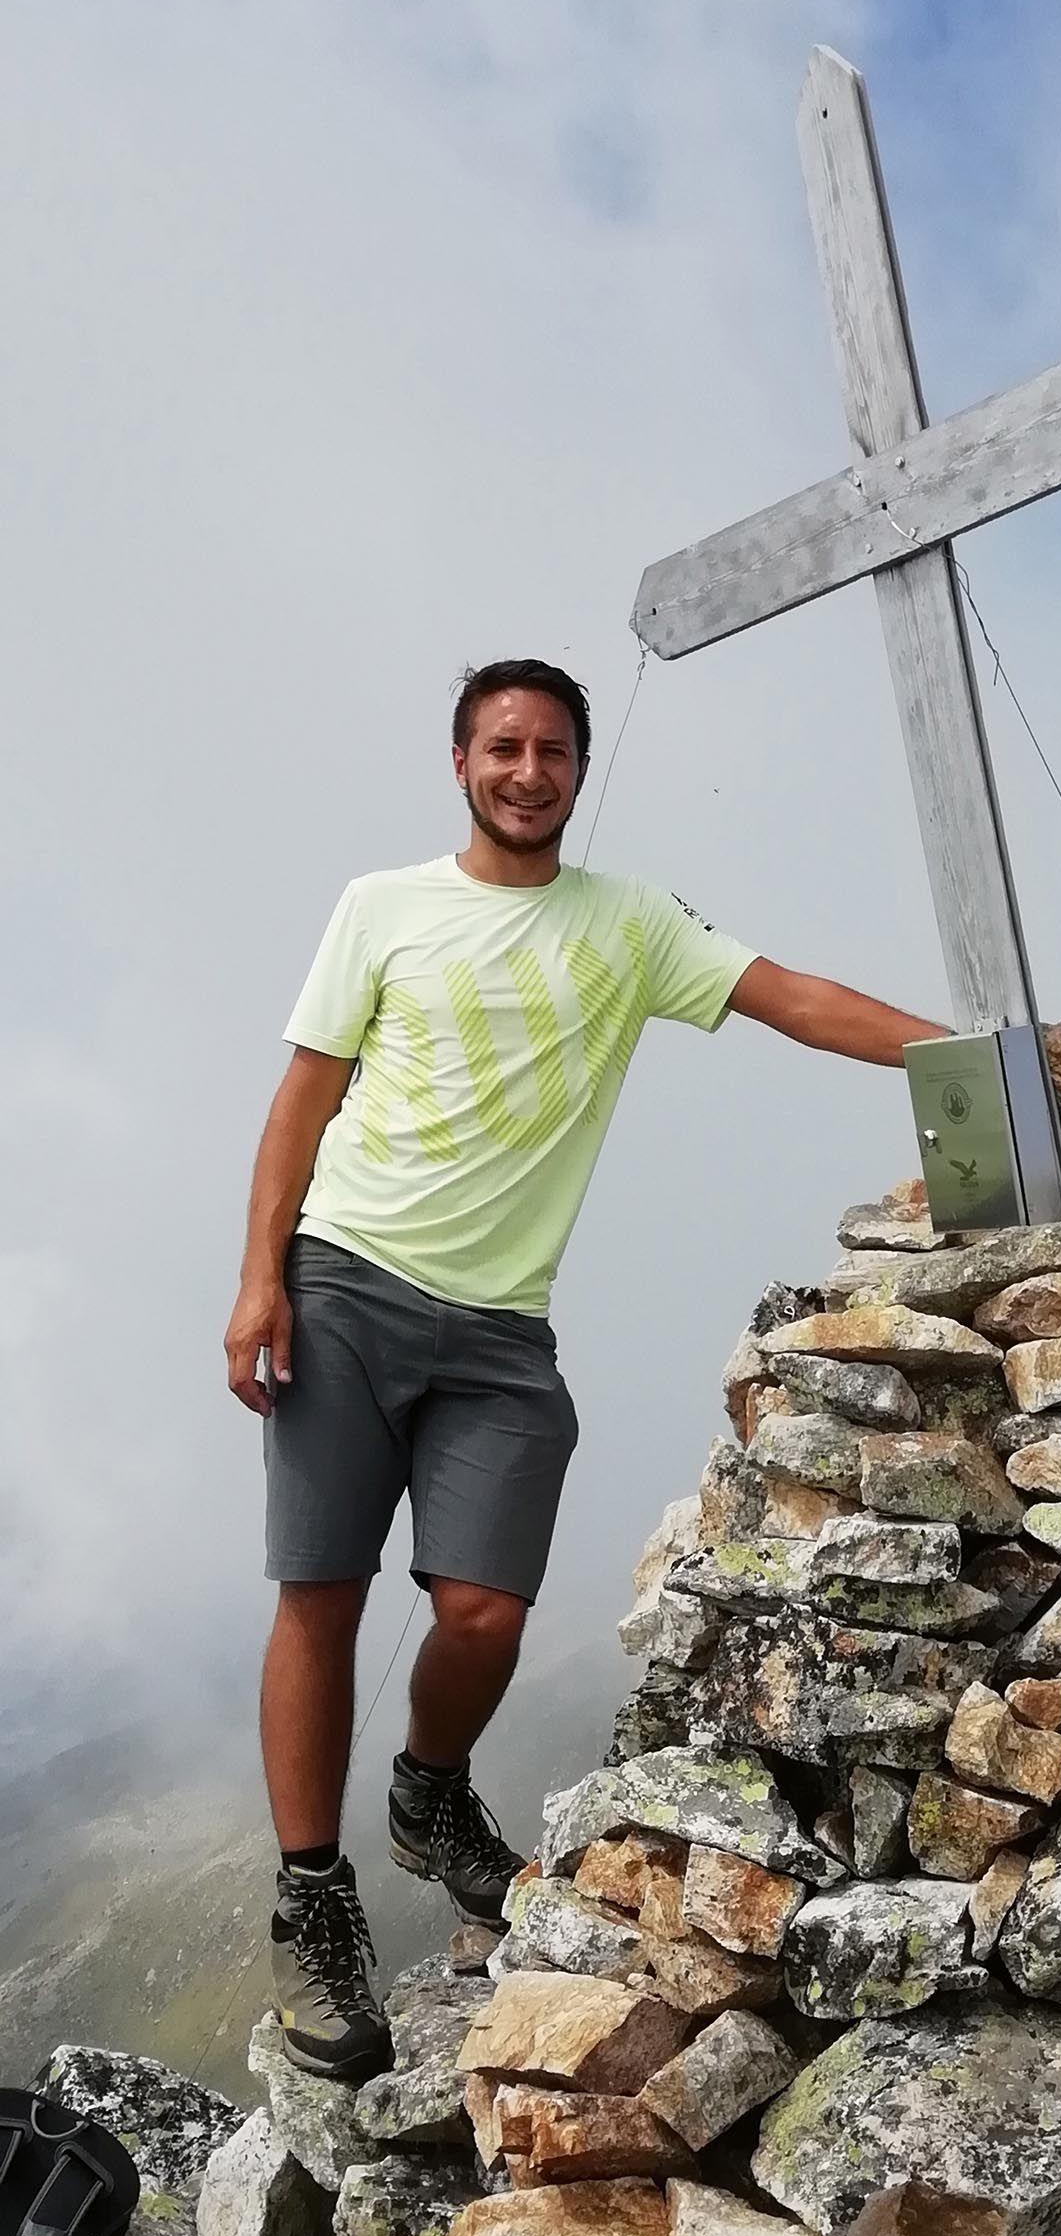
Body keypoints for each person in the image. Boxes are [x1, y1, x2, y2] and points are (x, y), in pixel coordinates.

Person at [224, 658, 945, 2079]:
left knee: (483, 1611)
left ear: (578, 770)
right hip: (346, 1282)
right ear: (461, 762)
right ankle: (313, 1901)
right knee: (319, 1592)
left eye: (554, 749)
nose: (528, 769)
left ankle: (428, 1798)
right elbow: (300, 1098)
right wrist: (260, 1275)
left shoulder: (626, 925)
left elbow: (788, 996)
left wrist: (973, 1057)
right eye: (503, 746)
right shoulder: (383, 907)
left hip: (500, 1328)